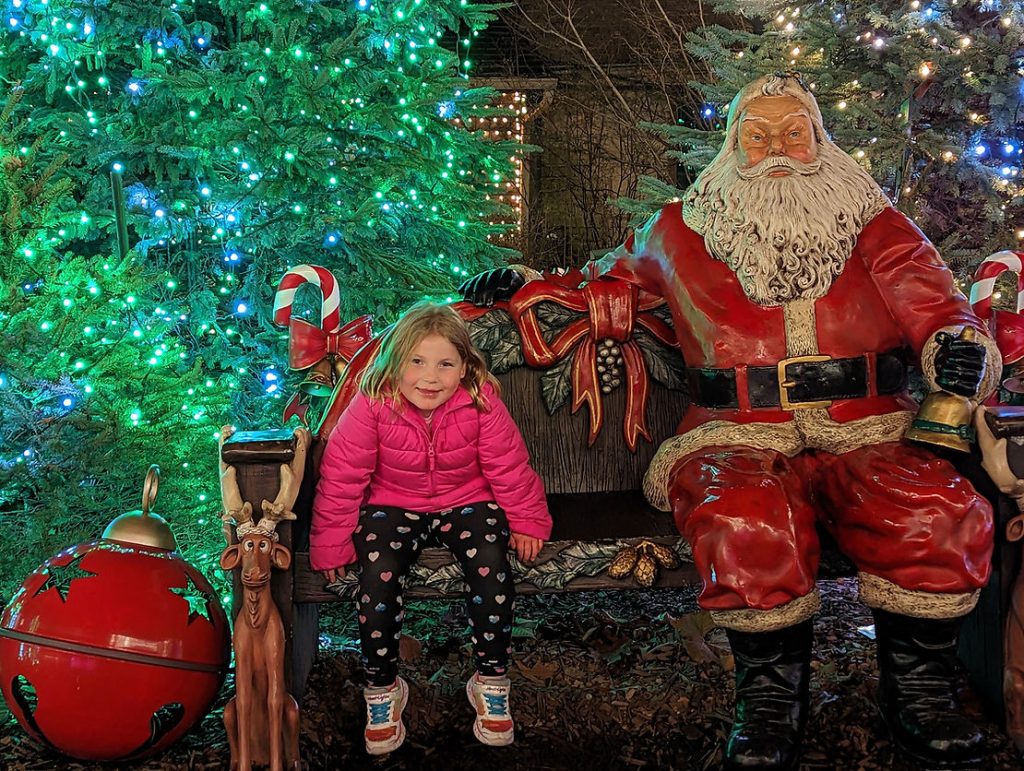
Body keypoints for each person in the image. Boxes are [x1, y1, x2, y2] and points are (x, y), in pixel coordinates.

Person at [461, 73, 1000, 770]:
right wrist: (523, 282)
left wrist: (956, 352)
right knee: (743, 518)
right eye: (758, 132)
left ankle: (921, 691)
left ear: (819, 139)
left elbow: (938, 306)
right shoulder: (681, 225)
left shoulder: (874, 220)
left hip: (868, 422)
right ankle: (770, 701)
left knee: (930, 508)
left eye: (794, 132)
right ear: (733, 142)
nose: (777, 147)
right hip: (734, 427)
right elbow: (600, 281)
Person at [309, 301, 551, 756]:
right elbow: (343, 477)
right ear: (395, 363)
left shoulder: (480, 402)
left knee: (492, 563)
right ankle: (382, 689)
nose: (430, 377)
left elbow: (509, 466)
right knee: (378, 572)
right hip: (392, 504)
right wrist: (331, 543)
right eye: (417, 362)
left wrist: (527, 520)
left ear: (465, 367)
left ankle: (491, 679)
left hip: (466, 499)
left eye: (445, 364)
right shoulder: (373, 402)